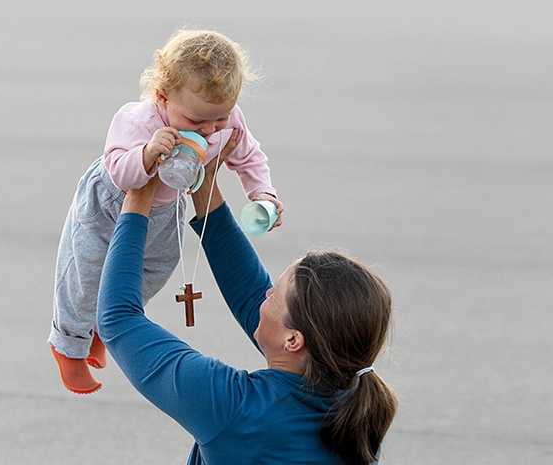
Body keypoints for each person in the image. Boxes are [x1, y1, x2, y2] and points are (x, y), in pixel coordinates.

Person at [97, 131, 398, 464]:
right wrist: (203, 183)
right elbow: (250, 292)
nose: (264, 294)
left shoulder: (235, 408)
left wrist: (139, 191)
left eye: (275, 295)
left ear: (294, 340)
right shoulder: (355, 409)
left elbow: (118, 318)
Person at [48, 29, 284, 394]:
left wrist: (262, 193)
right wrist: (145, 155)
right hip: (110, 203)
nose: (209, 131)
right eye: (196, 122)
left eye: (218, 120)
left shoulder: (226, 118)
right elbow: (118, 170)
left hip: (165, 209)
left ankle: (97, 327)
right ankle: (68, 346)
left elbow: (248, 156)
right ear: (163, 97)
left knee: (156, 268)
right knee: (86, 272)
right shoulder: (139, 120)